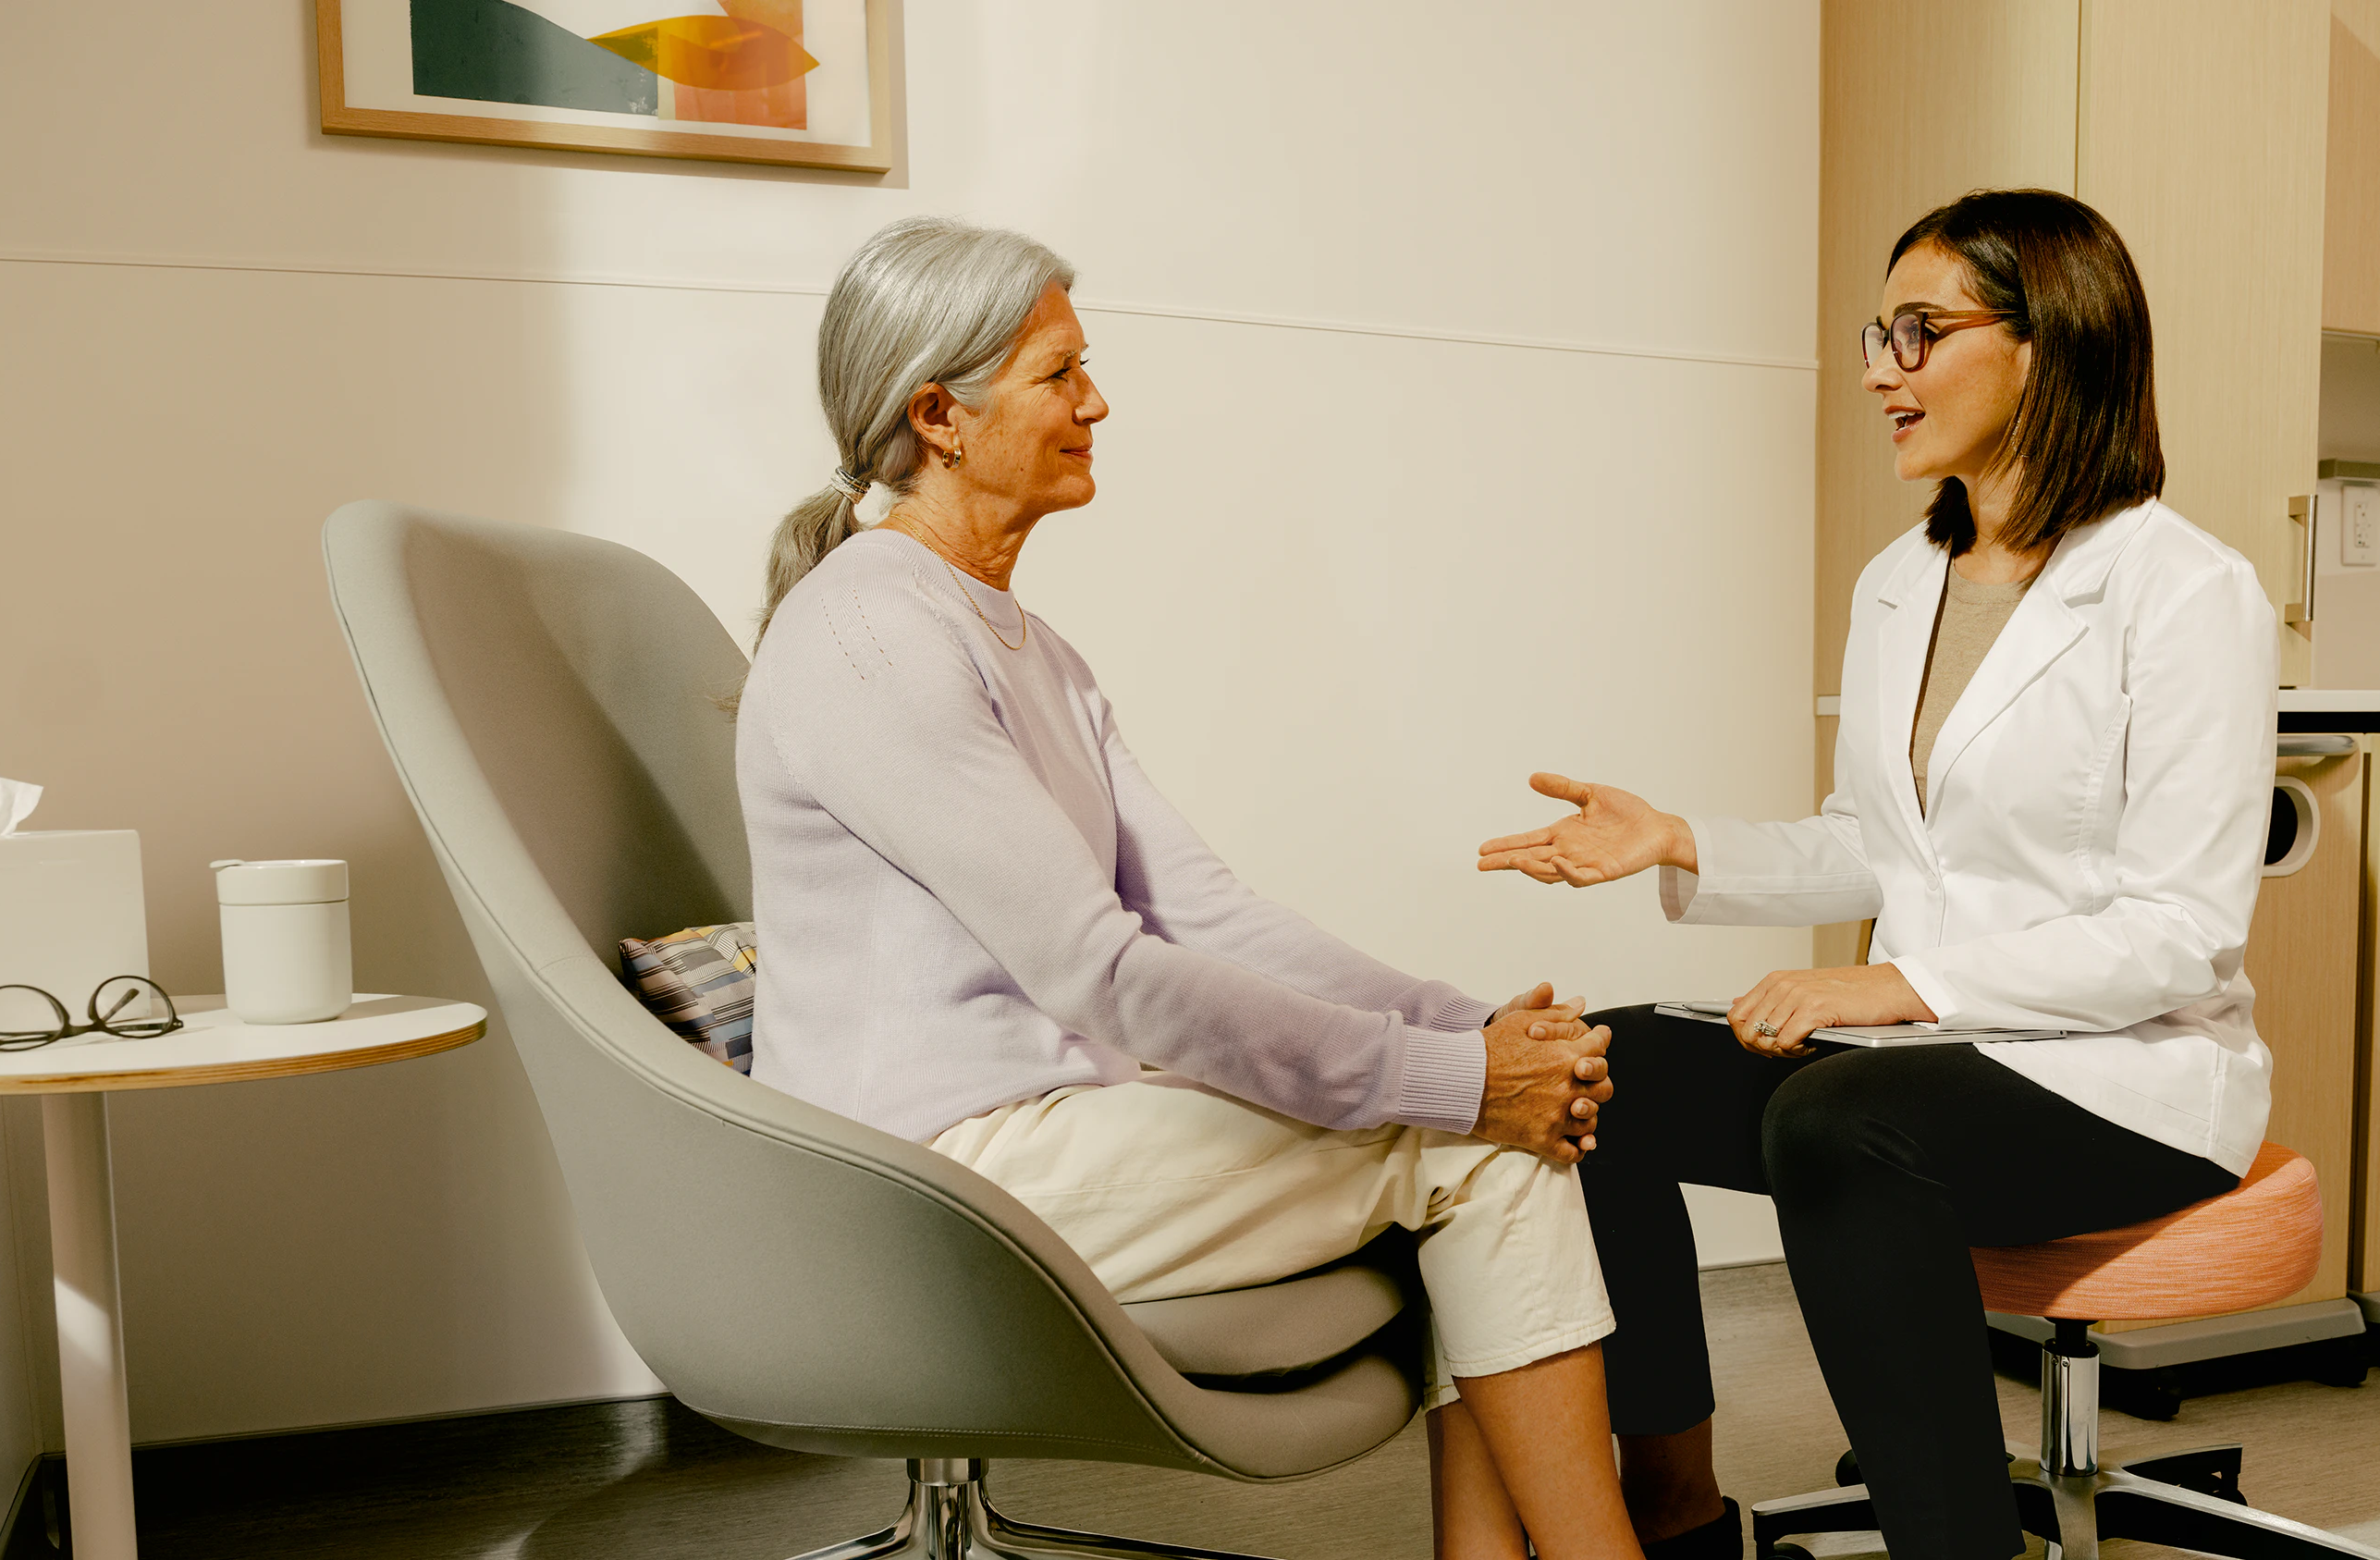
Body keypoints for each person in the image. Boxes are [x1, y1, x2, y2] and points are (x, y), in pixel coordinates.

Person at [737, 215, 1645, 1560]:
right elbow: (1103, 971)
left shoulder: (1032, 649)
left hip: (1046, 1138)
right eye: (1060, 373)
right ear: (941, 412)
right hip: (927, 1183)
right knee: (1466, 1136)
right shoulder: (874, 630)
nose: (1096, 402)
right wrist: (1461, 1079)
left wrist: (1474, 1031)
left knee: (1480, 1107)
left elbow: (1210, 916)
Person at [1478, 189, 2278, 1560]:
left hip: (2123, 1074)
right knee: (1596, 1067)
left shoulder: (2189, 594)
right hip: (1925, 1050)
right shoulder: (1899, 583)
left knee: (1837, 1120)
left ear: (2047, 343)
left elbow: (2181, 931)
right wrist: (1681, 841)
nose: (1876, 371)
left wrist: (1896, 983)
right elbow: (1878, 837)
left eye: (1919, 332)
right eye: (1877, 331)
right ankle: (1674, 1509)